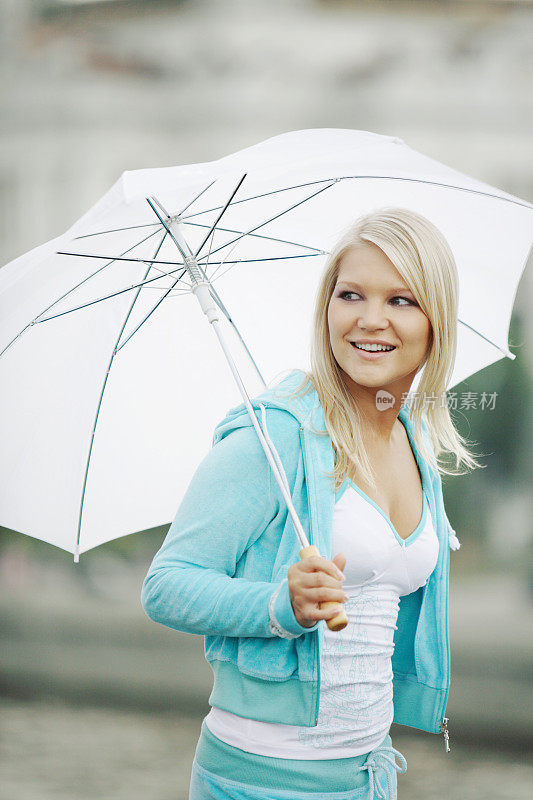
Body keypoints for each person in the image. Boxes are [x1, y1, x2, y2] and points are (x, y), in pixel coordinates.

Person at [141, 207, 480, 799]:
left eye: (401, 300)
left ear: (436, 321)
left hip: (369, 777)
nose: (370, 320)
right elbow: (166, 585)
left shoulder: (412, 438)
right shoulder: (272, 437)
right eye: (352, 295)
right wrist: (280, 605)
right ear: (327, 308)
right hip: (259, 783)